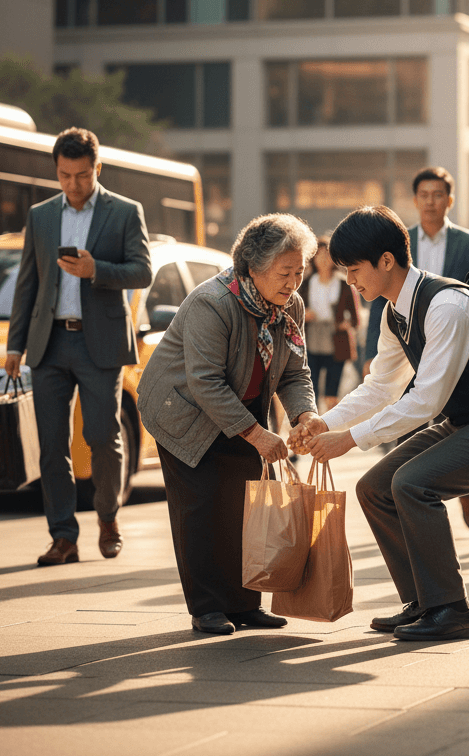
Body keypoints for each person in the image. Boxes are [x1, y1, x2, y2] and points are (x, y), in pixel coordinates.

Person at [289, 206, 469, 641]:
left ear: (386, 260)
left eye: (354, 270)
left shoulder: (448, 307)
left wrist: (349, 439)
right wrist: (323, 422)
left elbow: (426, 400)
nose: (350, 281)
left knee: (410, 484)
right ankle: (423, 603)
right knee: (375, 488)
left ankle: (452, 610)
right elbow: (380, 387)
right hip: (467, 423)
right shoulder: (395, 312)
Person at [137, 213, 318, 635]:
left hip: (241, 407)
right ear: (254, 268)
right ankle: (206, 607)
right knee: (200, 506)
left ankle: (245, 604)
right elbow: (205, 382)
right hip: (183, 411)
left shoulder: (289, 306)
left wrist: (305, 415)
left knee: (244, 507)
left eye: (299, 271)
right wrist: (257, 435)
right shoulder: (213, 303)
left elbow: (295, 372)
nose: (293, 283)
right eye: (285, 272)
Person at [5, 128, 152, 566]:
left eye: (82, 175)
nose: (73, 184)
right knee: (52, 443)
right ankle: (63, 536)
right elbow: (27, 284)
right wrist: (14, 346)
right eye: (65, 175)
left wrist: (96, 269)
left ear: (97, 168)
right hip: (48, 343)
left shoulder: (125, 211)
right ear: (56, 170)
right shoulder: (41, 215)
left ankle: (108, 518)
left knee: (102, 437)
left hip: (99, 343)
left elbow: (142, 271)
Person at [362, 167, 469, 530]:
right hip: (408, 348)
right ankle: (411, 505)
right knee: (409, 429)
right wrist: (371, 353)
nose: (431, 202)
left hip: (453, 348)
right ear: (415, 200)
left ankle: (462, 492)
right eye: (424, 195)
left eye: (438, 195)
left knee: (454, 425)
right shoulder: (401, 240)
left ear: (450, 200)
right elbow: (380, 300)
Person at [299, 235, 360, 413]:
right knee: (311, 389)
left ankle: (330, 423)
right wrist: (305, 315)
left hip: (336, 342)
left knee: (332, 392)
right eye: (319, 255)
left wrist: (345, 323)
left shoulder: (344, 284)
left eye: (327, 255)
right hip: (312, 339)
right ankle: (313, 422)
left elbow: (355, 319)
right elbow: (295, 313)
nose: (323, 259)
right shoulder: (307, 283)